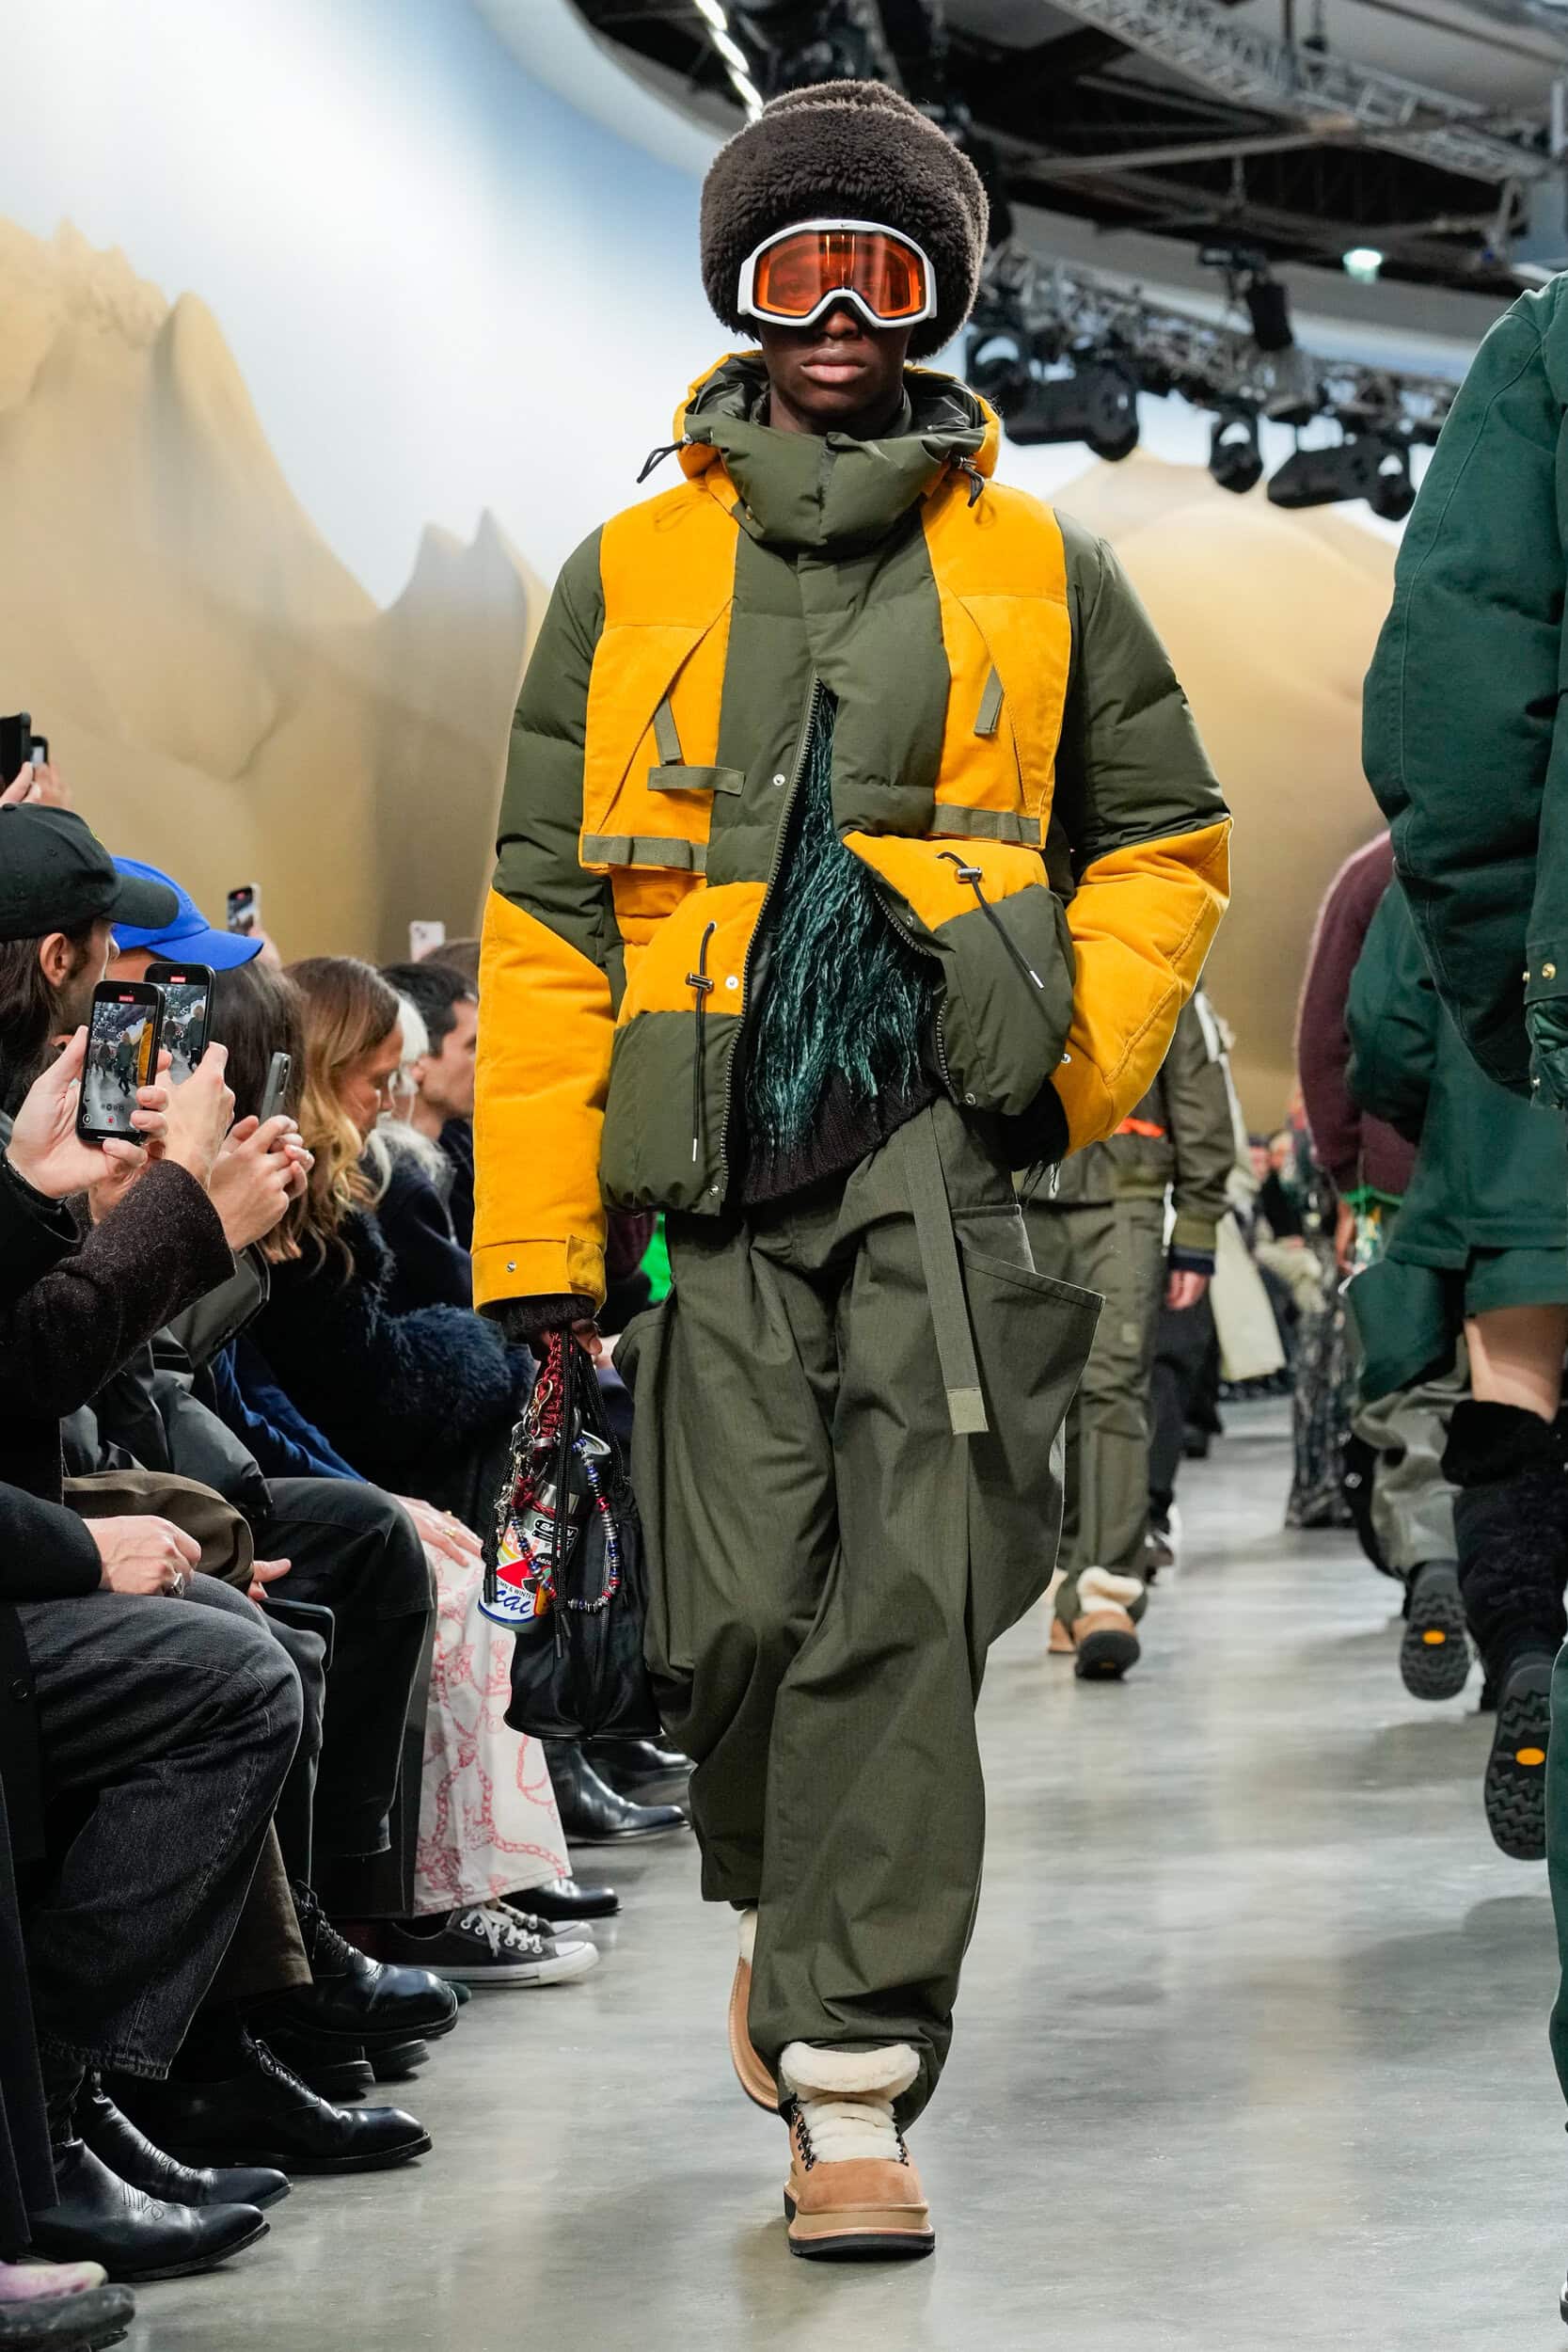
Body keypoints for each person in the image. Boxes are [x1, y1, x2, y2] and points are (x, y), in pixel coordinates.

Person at [473, 79, 1229, 2260]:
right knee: (725, 1620)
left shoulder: (1035, 565)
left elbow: (1164, 837)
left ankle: (847, 2071)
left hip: (943, 1162)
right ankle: (791, 1903)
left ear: (931, 300)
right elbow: (543, 911)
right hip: (703, 1179)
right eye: (794, 265)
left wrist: (1067, 1061)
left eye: (878, 270)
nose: (832, 310)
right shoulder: (628, 570)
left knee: (906, 1601)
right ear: (739, 288)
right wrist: (537, 1230)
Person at [1027, 989, 1234, 1678]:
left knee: (1111, 1387)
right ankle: (1069, 1582)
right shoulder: (1003, 937)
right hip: (1018, 1193)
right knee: (1046, 1400)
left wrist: (1197, 1227)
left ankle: (1106, 1589)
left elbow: (1196, 1084)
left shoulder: (1158, 956)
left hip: (1123, 1194)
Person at [377, 961, 478, 1251]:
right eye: (473, 1047)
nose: (488, 1063)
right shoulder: (390, 1180)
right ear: (418, 1056)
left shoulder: (457, 1148)